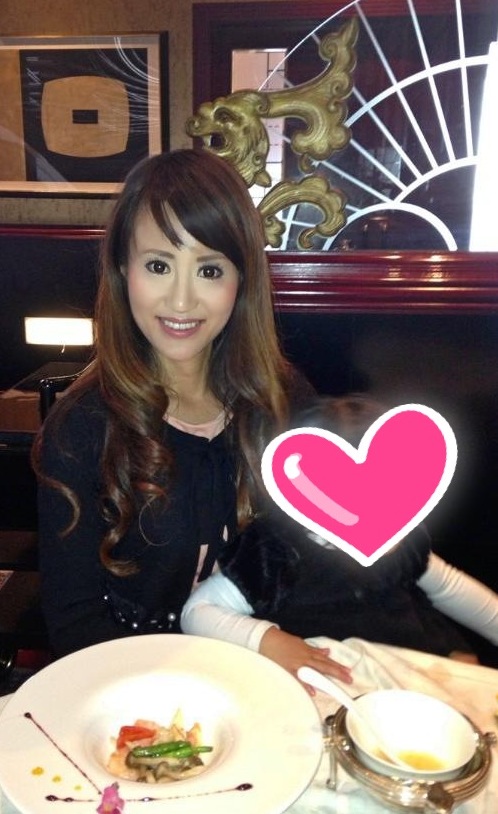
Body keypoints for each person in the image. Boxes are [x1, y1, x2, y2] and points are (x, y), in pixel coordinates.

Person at [32, 147, 352, 685]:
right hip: (131, 690)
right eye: (159, 265)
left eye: (209, 269)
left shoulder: (286, 402)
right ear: (123, 268)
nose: (181, 301)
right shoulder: (80, 428)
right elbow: (74, 621)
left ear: (241, 279)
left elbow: (316, 563)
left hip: (263, 681)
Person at [181, 394, 498, 676]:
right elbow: (198, 611)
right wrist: (267, 639)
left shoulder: (405, 540)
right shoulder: (276, 552)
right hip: (332, 678)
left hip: (410, 663)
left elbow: (451, 588)